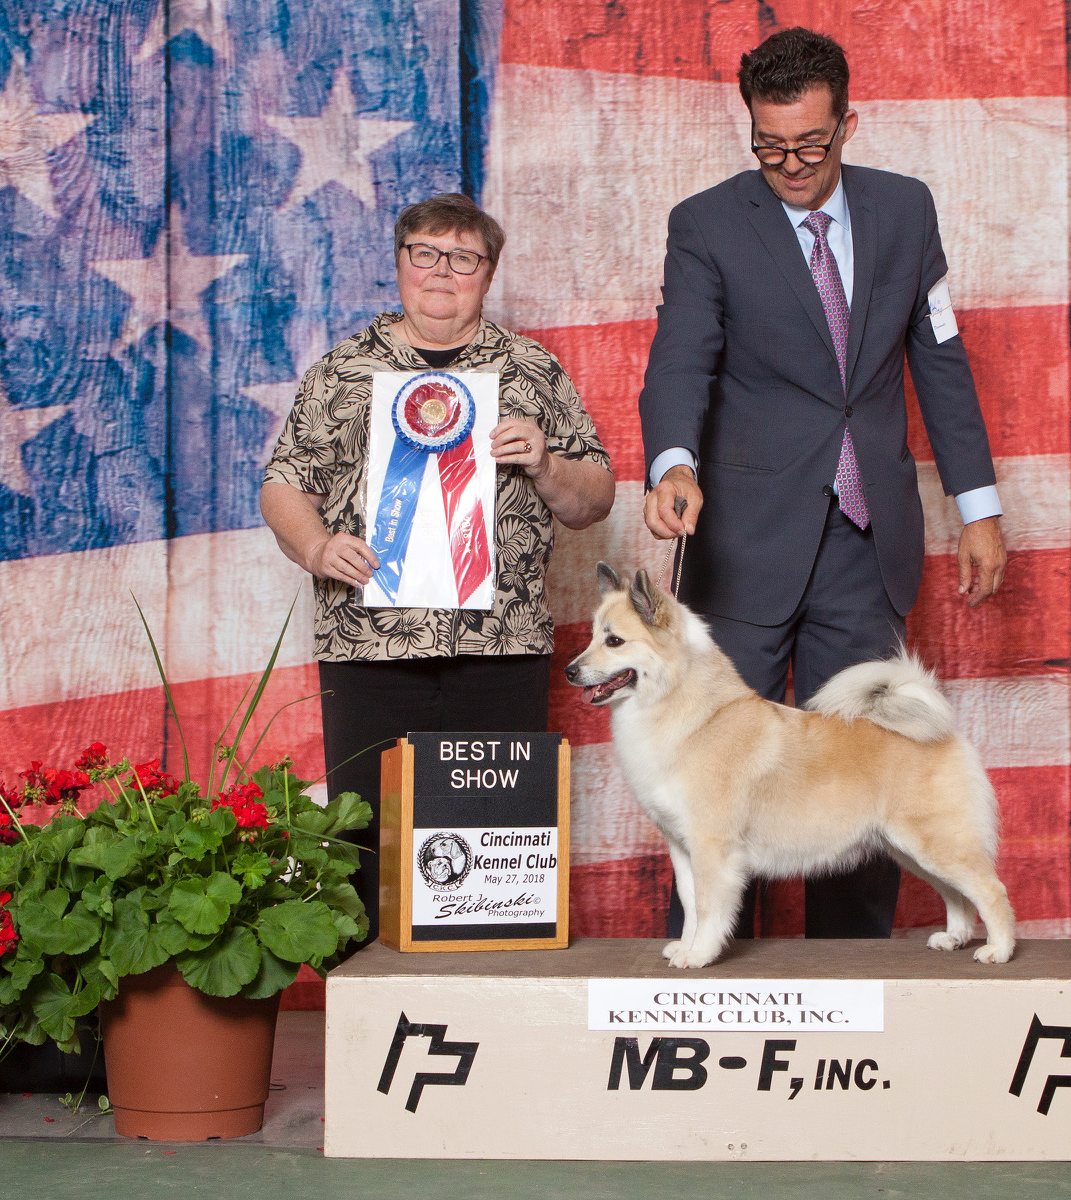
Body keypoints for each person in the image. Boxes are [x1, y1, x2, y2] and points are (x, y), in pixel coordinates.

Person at [638, 29, 1007, 941]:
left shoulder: (905, 211)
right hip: (740, 540)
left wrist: (979, 507)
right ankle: (720, 966)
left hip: (863, 535)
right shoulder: (708, 223)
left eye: (810, 144)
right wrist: (672, 462)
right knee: (717, 772)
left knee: (865, 767)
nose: (791, 165)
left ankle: (856, 975)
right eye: (769, 146)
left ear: (849, 121)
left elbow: (943, 365)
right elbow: (680, 360)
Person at [261, 194, 614, 945]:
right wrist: (318, 546)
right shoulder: (342, 369)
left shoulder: (531, 370)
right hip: (369, 644)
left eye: (463, 257)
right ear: (399, 262)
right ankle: (368, 1014)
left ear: (489, 272)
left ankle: (492, 1006)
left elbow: (593, 500)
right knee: (364, 844)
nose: (441, 271)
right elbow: (283, 483)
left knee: (496, 846)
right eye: (425, 252)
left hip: (502, 643)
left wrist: (548, 462)